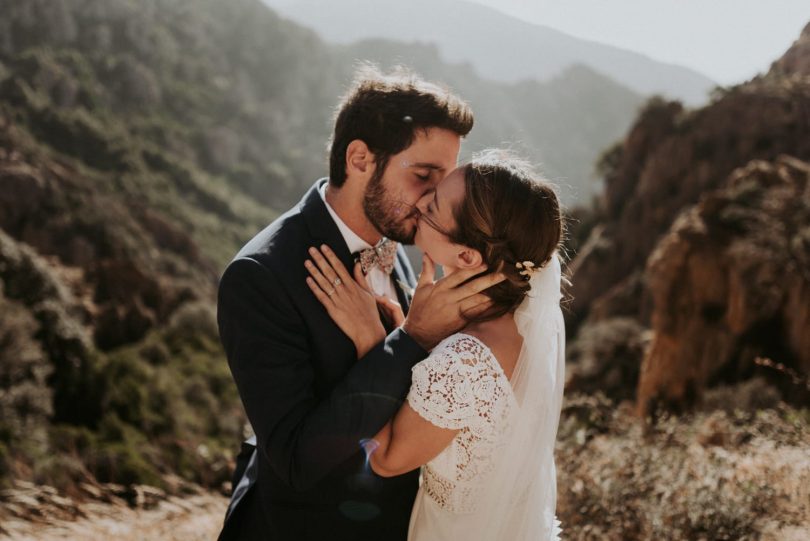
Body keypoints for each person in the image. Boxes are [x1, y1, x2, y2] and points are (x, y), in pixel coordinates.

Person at [216, 65, 505, 540]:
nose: (437, 199)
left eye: (446, 178)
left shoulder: (404, 240)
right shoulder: (262, 276)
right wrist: (408, 340)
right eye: (424, 175)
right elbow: (295, 458)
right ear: (359, 159)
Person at [305, 152, 566, 540]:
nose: (422, 200)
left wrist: (372, 340)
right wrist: (410, 332)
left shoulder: (466, 361)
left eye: (435, 205)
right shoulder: (517, 328)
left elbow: (386, 459)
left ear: (466, 256)